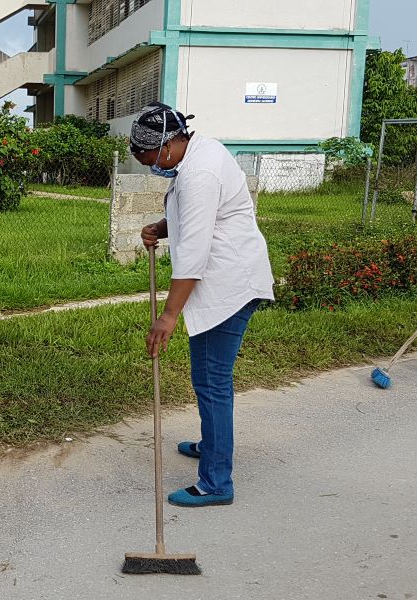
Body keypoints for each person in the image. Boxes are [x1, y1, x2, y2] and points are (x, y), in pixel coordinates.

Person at [130, 101, 274, 507]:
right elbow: (200, 218)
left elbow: (193, 251)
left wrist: (168, 316)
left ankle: (215, 482)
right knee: (210, 380)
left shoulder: (201, 173)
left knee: (212, 383)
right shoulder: (199, 152)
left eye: (149, 159)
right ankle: (212, 444)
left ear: (167, 146)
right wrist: (161, 226)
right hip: (224, 277)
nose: (150, 167)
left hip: (227, 286)